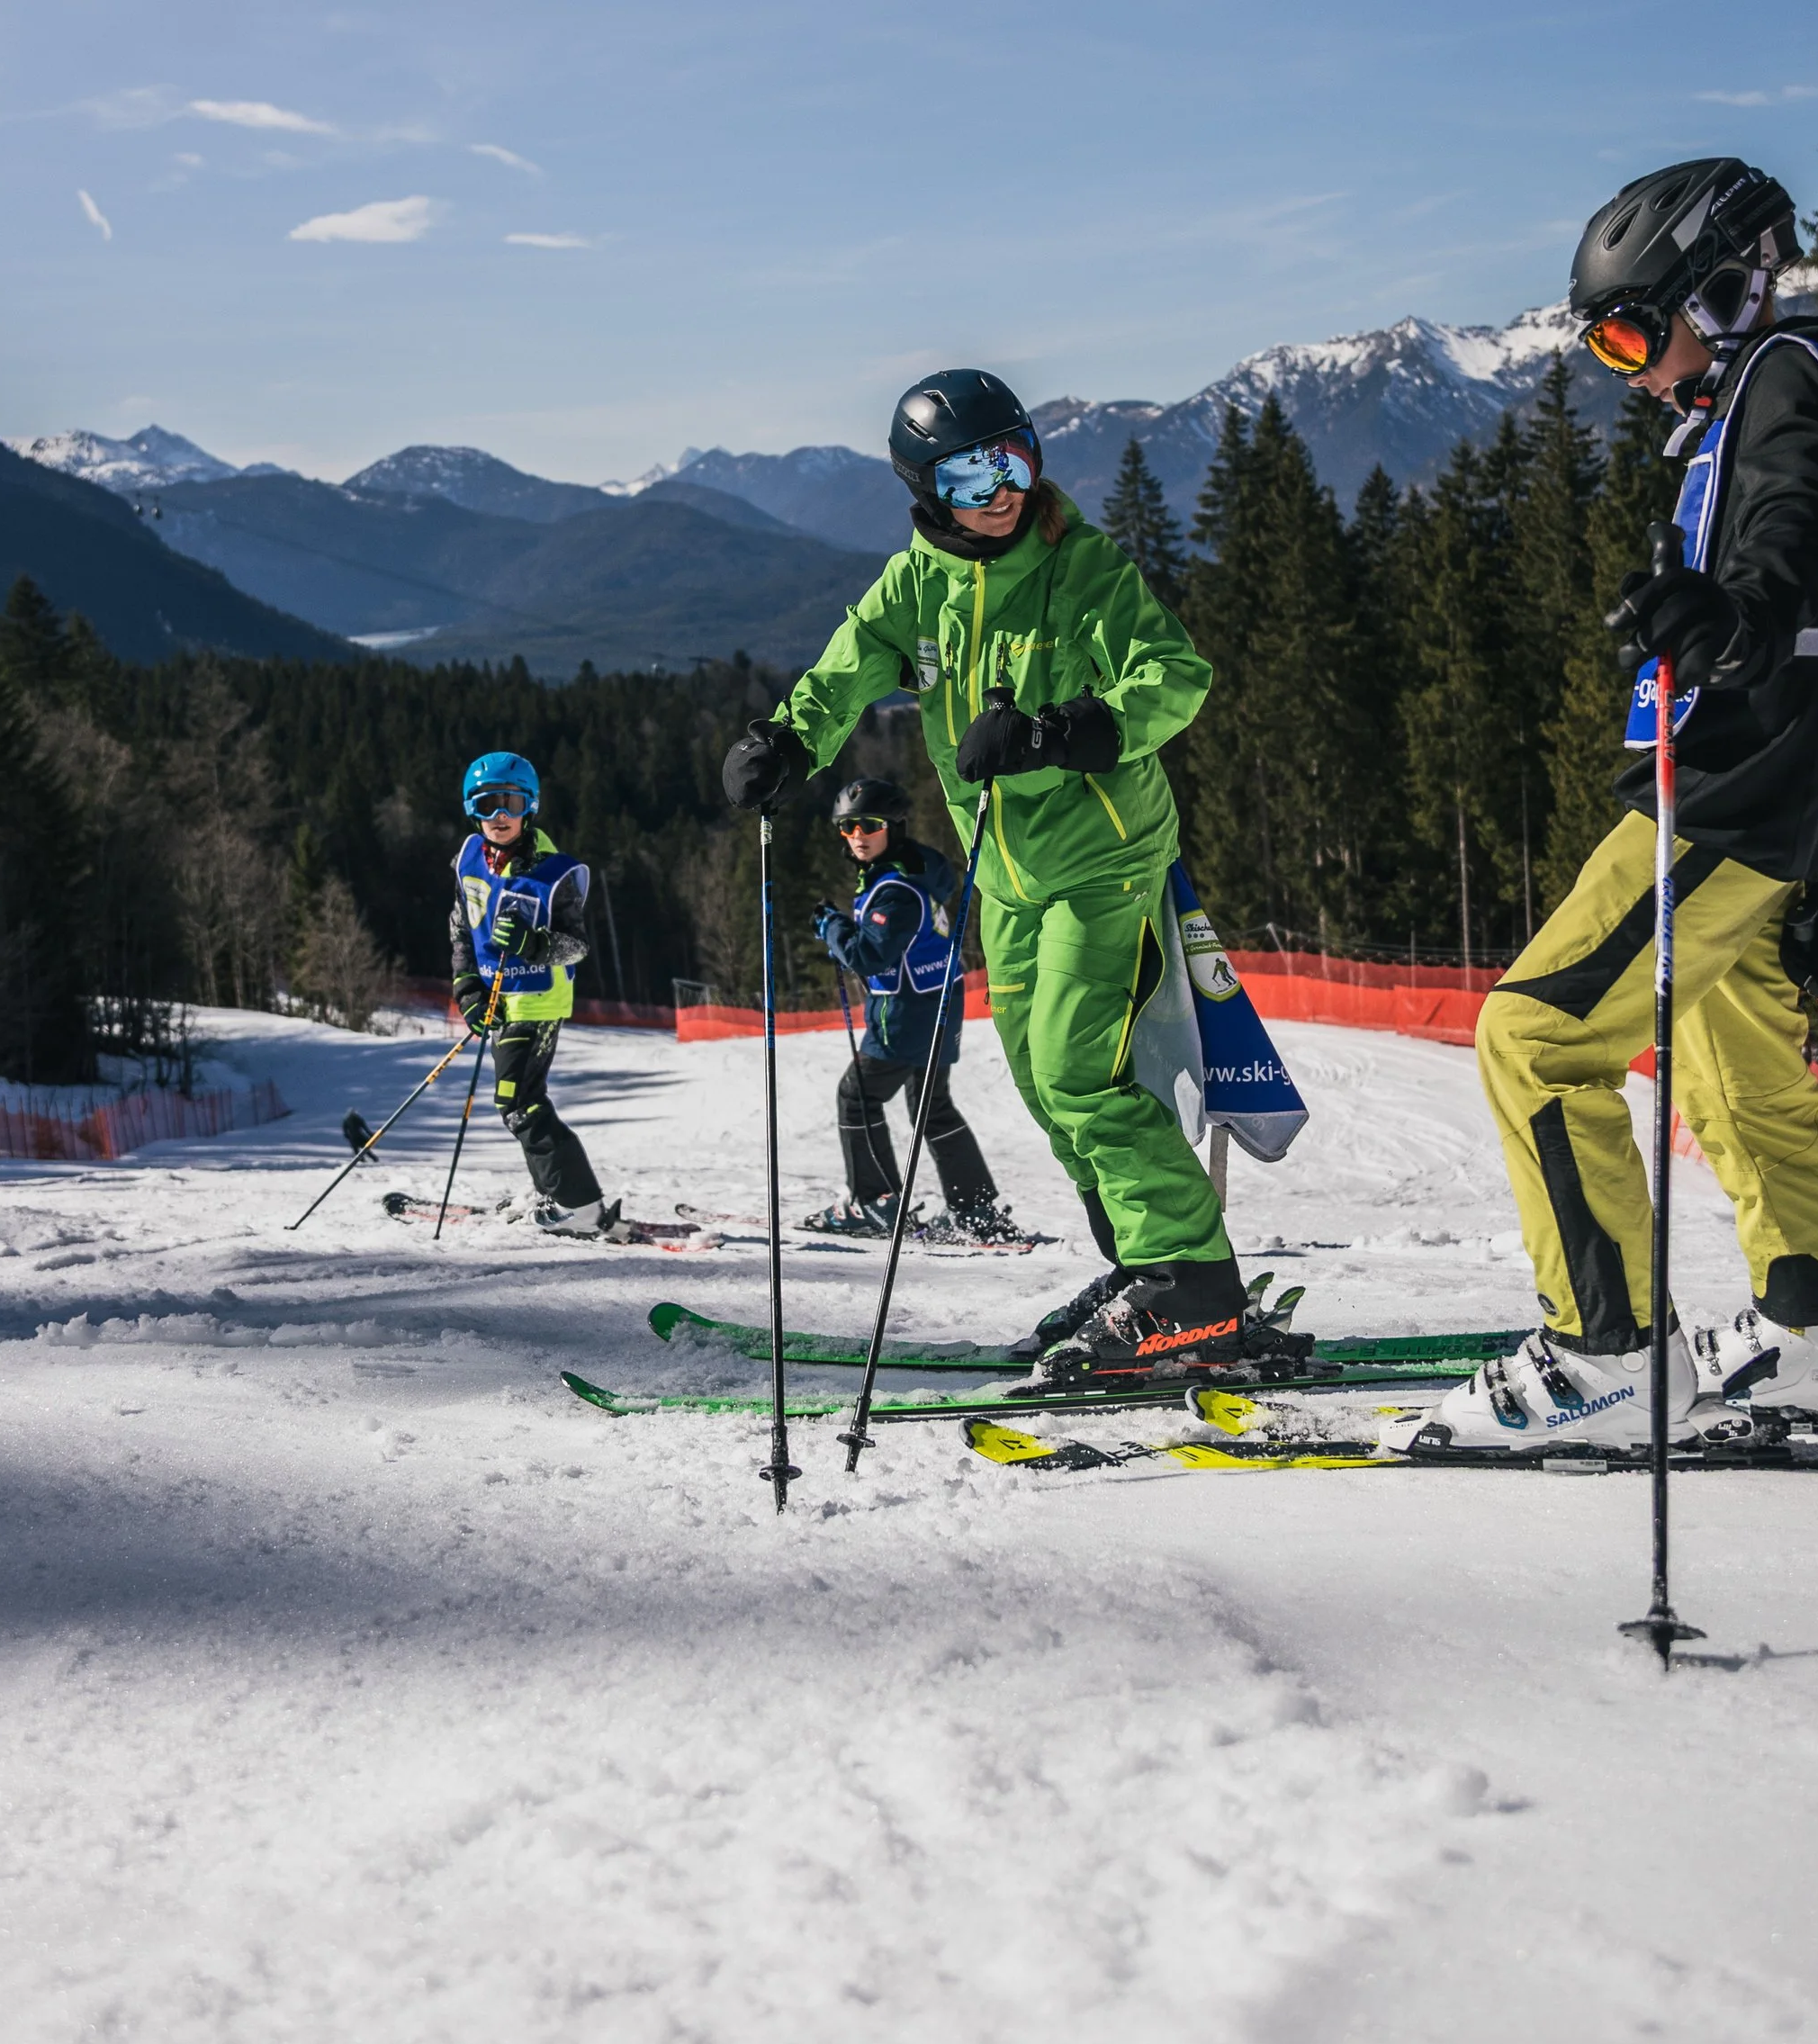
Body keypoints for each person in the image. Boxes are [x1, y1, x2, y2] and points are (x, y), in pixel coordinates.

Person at [1442, 157, 1818, 1454]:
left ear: (1727, 291)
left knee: (1535, 1036)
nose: (1626, 369)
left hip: (1737, 785)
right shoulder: (1792, 384)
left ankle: (1604, 1357)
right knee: (1734, 1049)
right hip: (1785, 783)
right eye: (1604, 344)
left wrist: (1733, 614)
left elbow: (1795, 539)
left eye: (1633, 329)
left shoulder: (1784, 379)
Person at [720, 371, 1246, 1378]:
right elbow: (848, 665)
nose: (998, 487)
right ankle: (1144, 1268)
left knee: (1079, 1070)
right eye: (968, 474)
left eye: (1012, 458)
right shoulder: (917, 583)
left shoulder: (1079, 568)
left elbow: (1173, 676)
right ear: (926, 489)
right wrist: (789, 742)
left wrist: (1069, 730)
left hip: (1102, 860)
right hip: (1000, 876)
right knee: (1045, 1088)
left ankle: (1193, 1289)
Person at [807, 773, 1012, 1243]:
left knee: (856, 1096)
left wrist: (831, 927)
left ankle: (876, 1203)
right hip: (938, 1000)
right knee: (930, 1107)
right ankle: (975, 1208)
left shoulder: (896, 889)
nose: (857, 836)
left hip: (906, 1011)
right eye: (848, 827)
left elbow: (868, 955)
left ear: (892, 826)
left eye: (868, 825)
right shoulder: (913, 869)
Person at [448, 752, 616, 1234]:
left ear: (530, 806)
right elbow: (461, 930)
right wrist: (468, 992)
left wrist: (533, 944)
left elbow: (576, 946)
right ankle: (553, 1190)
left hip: (537, 1001)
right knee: (519, 1100)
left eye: (510, 803)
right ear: (471, 809)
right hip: (496, 998)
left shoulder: (554, 872)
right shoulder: (467, 859)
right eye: (486, 805)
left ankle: (578, 1205)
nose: (499, 816)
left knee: (518, 1101)